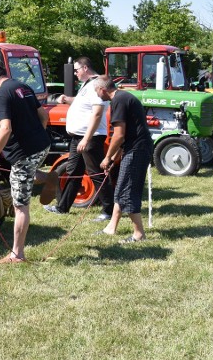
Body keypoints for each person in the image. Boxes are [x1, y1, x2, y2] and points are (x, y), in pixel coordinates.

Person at [0, 57, 58, 264]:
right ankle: (49, 178)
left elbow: (5, 129)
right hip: (42, 145)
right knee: (23, 174)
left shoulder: (2, 93)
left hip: (25, 153)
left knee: (20, 205)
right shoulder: (23, 87)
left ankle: (17, 254)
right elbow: (44, 116)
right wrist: (36, 134)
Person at [43, 57, 113, 221]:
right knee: (73, 172)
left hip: (90, 137)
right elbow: (84, 102)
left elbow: (97, 112)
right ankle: (62, 207)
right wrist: (68, 100)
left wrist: (86, 139)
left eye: (76, 70)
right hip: (78, 137)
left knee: (96, 173)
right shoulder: (87, 84)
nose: (75, 73)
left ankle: (109, 210)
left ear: (85, 68)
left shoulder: (97, 83)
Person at [94, 77, 153, 243]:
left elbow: (119, 135)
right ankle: (111, 227)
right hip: (135, 148)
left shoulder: (118, 101)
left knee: (128, 192)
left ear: (102, 89)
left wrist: (106, 158)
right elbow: (129, 133)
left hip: (137, 150)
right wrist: (114, 157)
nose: (96, 95)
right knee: (120, 188)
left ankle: (139, 234)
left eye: (96, 91)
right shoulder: (123, 96)